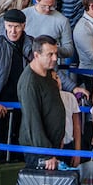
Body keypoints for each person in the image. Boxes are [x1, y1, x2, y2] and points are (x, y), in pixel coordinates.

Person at [17, 36, 67, 165]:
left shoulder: (49, 74)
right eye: (50, 54)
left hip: (51, 146)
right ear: (36, 55)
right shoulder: (30, 82)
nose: (55, 58)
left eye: (56, 53)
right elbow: (32, 121)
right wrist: (46, 154)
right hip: (39, 151)